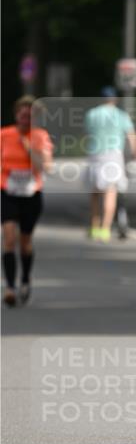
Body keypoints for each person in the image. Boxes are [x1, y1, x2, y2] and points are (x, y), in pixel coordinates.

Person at [1, 95, 53, 306]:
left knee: (25, 243)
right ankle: (10, 287)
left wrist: (29, 148)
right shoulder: (4, 134)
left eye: (29, 116)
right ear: (16, 115)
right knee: (9, 238)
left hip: (31, 195)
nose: (25, 120)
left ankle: (25, 280)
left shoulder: (40, 137)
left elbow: (46, 167)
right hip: (7, 192)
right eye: (22, 115)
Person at [84, 86, 136, 242]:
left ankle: (94, 227)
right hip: (114, 155)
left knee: (95, 193)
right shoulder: (121, 115)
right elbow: (132, 136)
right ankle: (105, 229)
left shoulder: (92, 114)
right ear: (114, 100)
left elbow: (88, 134)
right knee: (111, 192)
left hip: (95, 154)